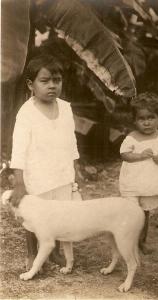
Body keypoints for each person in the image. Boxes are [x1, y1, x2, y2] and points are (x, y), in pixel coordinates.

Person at [10, 54, 80, 271]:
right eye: (45, 80)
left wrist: (75, 167)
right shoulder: (26, 113)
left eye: (57, 80)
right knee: (34, 216)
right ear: (31, 84)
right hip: (38, 175)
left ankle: (54, 251)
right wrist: (19, 182)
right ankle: (33, 254)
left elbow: (71, 140)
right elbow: (19, 149)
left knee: (60, 214)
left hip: (61, 173)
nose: (52, 86)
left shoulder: (66, 108)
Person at [119, 92, 158, 254]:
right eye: (141, 119)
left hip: (149, 184)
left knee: (144, 213)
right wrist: (140, 155)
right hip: (131, 183)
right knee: (130, 213)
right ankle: (127, 241)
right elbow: (124, 154)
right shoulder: (132, 137)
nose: (146, 123)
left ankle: (141, 242)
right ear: (134, 120)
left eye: (151, 118)